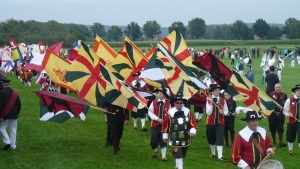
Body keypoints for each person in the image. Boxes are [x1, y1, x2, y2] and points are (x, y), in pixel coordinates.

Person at [162, 93, 198, 169]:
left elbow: (193, 123)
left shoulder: (188, 112)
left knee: (183, 154)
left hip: (185, 137)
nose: (179, 104)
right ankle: (180, 167)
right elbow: (166, 125)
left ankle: (177, 166)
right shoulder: (170, 113)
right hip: (174, 138)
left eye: (181, 103)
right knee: (178, 153)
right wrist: (165, 136)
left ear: (183, 103)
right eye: (177, 103)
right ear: (174, 103)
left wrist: (193, 131)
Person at [206, 84, 228, 162]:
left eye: (218, 90)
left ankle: (220, 157)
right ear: (212, 91)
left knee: (219, 138)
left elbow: (226, 111)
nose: (217, 92)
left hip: (220, 122)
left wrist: (223, 113)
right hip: (210, 122)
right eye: (215, 90)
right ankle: (213, 153)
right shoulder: (209, 99)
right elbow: (208, 113)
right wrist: (211, 104)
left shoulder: (223, 100)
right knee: (211, 139)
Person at [148, 88, 171, 161]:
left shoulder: (168, 104)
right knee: (154, 141)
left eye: (161, 94)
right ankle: (155, 151)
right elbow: (150, 112)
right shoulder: (154, 102)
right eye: (158, 93)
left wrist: (166, 120)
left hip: (164, 126)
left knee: (163, 140)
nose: (159, 95)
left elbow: (170, 113)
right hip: (155, 125)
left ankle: (163, 156)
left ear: (164, 96)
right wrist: (157, 119)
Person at [0, 77, 22, 150]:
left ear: (3, 84)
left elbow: (1, 105)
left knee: (2, 128)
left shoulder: (1, 92)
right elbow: (19, 104)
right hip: (14, 114)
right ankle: (13, 145)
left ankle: (7, 141)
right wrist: (17, 113)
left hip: (5, 115)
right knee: (13, 129)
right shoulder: (15, 92)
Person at [283, 84, 300, 156]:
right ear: (295, 92)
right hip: (291, 122)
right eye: (298, 91)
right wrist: (288, 114)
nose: (299, 92)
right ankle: (290, 150)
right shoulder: (289, 100)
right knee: (290, 137)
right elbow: (285, 111)